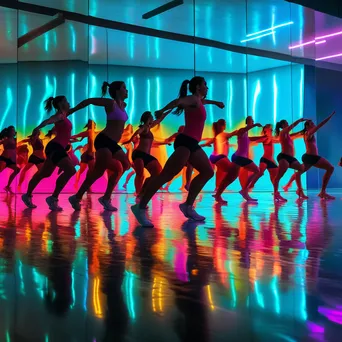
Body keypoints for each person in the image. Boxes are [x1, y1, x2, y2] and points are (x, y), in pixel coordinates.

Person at [131, 76, 224, 227]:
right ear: (198, 87)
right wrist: (162, 110)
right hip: (186, 141)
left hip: (192, 143)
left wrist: (217, 103)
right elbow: (177, 102)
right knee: (165, 176)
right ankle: (140, 207)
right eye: (205, 84)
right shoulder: (193, 99)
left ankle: (187, 206)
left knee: (207, 172)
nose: (207, 87)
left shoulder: (198, 101)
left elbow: (205, 101)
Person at [69, 81, 130, 211]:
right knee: (98, 172)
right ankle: (78, 197)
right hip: (104, 140)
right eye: (124, 88)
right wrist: (73, 110)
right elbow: (89, 101)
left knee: (124, 165)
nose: (127, 90)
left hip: (112, 143)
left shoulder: (123, 105)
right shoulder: (111, 103)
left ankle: (104, 198)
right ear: (117, 90)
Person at [21, 96, 78, 210]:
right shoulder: (60, 116)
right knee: (71, 170)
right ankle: (53, 198)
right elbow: (49, 120)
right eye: (66, 101)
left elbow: (63, 133)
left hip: (56, 147)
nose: (69, 103)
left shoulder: (65, 115)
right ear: (61, 103)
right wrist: (38, 127)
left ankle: (27, 195)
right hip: (55, 147)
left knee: (44, 173)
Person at [282, 111, 336, 199]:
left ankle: (295, 188)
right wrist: (330, 116)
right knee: (330, 168)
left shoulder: (307, 133)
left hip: (309, 157)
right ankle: (322, 192)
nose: (314, 124)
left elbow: (292, 135)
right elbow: (320, 125)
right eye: (312, 123)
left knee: (299, 172)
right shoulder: (309, 133)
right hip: (311, 157)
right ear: (307, 126)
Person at [212, 116, 262, 203]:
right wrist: (255, 125)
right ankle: (244, 191)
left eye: (253, 120)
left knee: (231, 178)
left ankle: (219, 194)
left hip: (239, 157)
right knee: (255, 171)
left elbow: (251, 139)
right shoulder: (241, 130)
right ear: (247, 122)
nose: (252, 121)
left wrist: (263, 137)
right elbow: (242, 131)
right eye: (251, 120)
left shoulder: (245, 134)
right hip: (239, 157)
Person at [122, 110, 170, 198]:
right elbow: (138, 131)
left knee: (157, 171)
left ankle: (143, 191)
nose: (153, 118)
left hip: (146, 155)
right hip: (138, 154)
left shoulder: (149, 127)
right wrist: (130, 139)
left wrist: (169, 110)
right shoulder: (144, 127)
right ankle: (138, 193)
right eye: (151, 117)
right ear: (148, 118)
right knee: (140, 174)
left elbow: (160, 119)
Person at [201, 119, 238, 203]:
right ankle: (218, 194)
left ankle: (218, 192)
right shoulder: (223, 134)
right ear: (222, 126)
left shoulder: (217, 136)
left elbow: (207, 143)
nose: (225, 125)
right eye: (224, 124)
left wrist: (201, 145)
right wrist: (242, 130)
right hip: (220, 157)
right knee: (233, 173)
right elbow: (233, 133)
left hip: (215, 157)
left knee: (223, 175)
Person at [272, 118, 307, 201]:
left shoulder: (287, 134)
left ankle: (294, 187)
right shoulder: (282, 132)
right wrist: (300, 120)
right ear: (283, 125)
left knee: (301, 168)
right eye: (286, 123)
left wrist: (304, 130)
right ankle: (276, 193)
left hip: (291, 158)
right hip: (283, 157)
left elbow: (296, 133)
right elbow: (292, 126)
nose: (288, 124)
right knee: (278, 177)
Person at [248, 124, 279, 189]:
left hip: (271, 160)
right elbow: (257, 140)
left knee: (275, 176)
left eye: (270, 128)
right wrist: (249, 140)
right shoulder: (265, 137)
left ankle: (276, 192)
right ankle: (250, 185)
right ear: (266, 130)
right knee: (260, 173)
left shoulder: (271, 138)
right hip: (265, 159)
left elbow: (277, 141)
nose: (270, 129)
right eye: (268, 128)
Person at [71, 119, 97, 190]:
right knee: (88, 171)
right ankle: (81, 185)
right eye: (92, 124)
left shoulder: (94, 132)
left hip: (89, 154)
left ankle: (85, 186)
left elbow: (77, 136)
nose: (93, 126)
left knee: (89, 170)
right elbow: (76, 136)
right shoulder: (89, 132)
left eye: (93, 124)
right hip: (89, 154)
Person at [0, 126, 20, 193]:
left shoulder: (15, 140)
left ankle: (7, 186)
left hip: (11, 160)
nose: (13, 131)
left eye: (14, 130)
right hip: (4, 158)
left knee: (17, 170)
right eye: (12, 130)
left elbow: (15, 149)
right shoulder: (5, 139)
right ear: (9, 132)